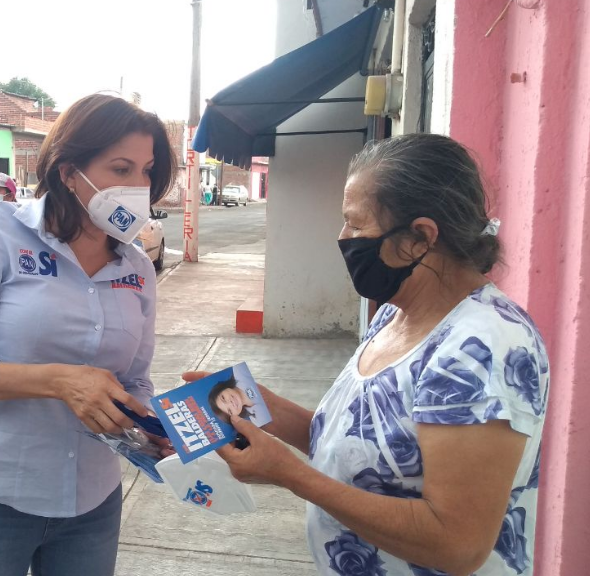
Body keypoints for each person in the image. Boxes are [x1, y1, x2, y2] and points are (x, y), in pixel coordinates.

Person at [200, 133, 548, 576]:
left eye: (356, 224)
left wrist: (290, 475)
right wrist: (249, 404)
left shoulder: (481, 351)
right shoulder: (398, 314)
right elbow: (358, 446)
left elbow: (457, 544)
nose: (343, 238)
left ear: (419, 238)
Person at [0, 94, 176, 576]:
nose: (138, 186)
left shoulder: (137, 268)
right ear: (68, 170)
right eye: (121, 168)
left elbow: (135, 381)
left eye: (146, 170)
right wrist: (59, 380)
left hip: (92, 501)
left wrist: (151, 431)